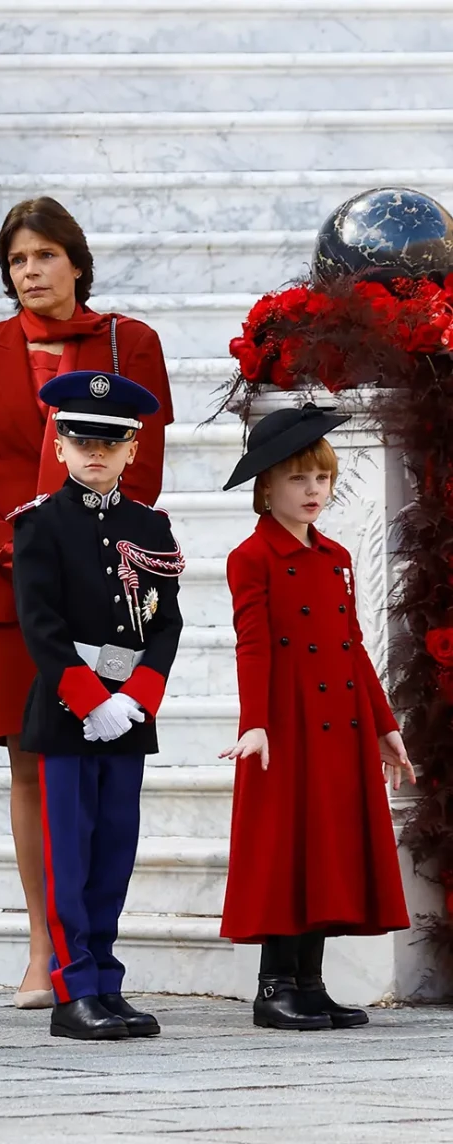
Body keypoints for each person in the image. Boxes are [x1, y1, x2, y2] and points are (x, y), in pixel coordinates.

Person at [0, 196, 174, 1007]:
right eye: (16, 260)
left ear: (77, 260)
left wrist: (83, 562)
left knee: (100, 773)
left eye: (44, 255)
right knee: (30, 765)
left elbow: (141, 472)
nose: (30, 271)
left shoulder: (130, 343)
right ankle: (44, 949)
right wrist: (20, 552)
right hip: (9, 592)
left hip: (108, 594)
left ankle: (92, 952)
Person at [219, 403, 415, 1032]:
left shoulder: (335, 556)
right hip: (287, 727)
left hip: (343, 723)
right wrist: (255, 722)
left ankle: (311, 983)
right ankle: (274, 986)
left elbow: (353, 646)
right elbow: (251, 643)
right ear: (266, 486)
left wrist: (385, 727)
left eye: (322, 479)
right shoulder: (253, 557)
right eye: (298, 478)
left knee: (328, 848)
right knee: (287, 847)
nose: (312, 491)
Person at [11, 369, 184, 1040]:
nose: (95, 453)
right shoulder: (40, 526)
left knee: (115, 847)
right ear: (58, 446)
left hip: (129, 715)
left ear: (132, 450)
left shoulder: (150, 526)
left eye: (110, 443)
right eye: (81, 440)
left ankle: (106, 982)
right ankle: (73, 986)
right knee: (70, 853)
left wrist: (138, 697)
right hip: (67, 711)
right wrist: (89, 700)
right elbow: (40, 626)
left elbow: (165, 622)